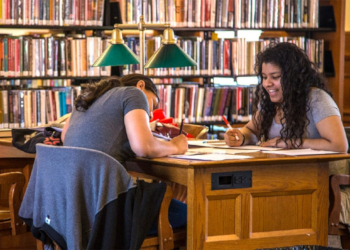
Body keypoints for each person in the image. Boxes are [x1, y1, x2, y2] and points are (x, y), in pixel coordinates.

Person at [61, 73, 188, 234]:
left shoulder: (89, 97)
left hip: (74, 209)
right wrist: (175, 146)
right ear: (141, 86)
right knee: (190, 214)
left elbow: (65, 136)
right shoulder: (134, 93)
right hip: (108, 211)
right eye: (152, 105)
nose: (149, 114)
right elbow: (144, 147)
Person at [224, 42, 348, 152]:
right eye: (264, 77)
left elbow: (339, 145)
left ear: (293, 77)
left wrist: (292, 142)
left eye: (275, 77)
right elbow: (251, 130)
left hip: (317, 173)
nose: (267, 83)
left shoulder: (317, 99)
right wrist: (241, 137)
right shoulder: (269, 101)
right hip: (281, 171)